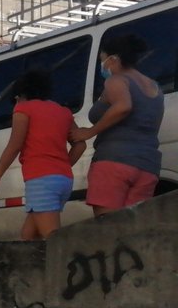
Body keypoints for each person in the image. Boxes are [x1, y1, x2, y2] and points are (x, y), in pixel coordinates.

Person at [0, 70, 86, 240]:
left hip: (41, 180)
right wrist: (62, 165)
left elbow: (15, 145)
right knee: (28, 236)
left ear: (20, 94)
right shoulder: (63, 111)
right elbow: (80, 144)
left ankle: (64, 266)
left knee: (53, 240)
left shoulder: (24, 109)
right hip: (64, 179)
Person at [69, 33, 164, 216]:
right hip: (147, 165)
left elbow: (123, 106)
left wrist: (89, 132)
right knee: (134, 228)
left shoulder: (116, 80)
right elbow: (154, 127)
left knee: (109, 227)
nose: (102, 65)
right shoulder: (155, 87)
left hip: (114, 163)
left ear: (113, 59)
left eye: (102, 60)